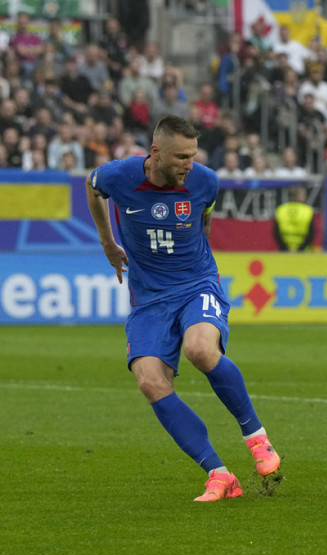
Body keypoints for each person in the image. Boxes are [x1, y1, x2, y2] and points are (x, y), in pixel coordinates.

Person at [85, 115, 282, 501]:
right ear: (155, 152)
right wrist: (108, 243)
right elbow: (92, 188)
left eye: (192, 156)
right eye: (180, 158)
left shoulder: (205, 180)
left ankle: (257, 437)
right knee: (149, 380)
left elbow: (203, 222)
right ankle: (219, 474)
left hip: (196, 284)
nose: (188, 165)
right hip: (149, 297)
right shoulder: (119, 176)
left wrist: (201, 264)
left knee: (200, 349)